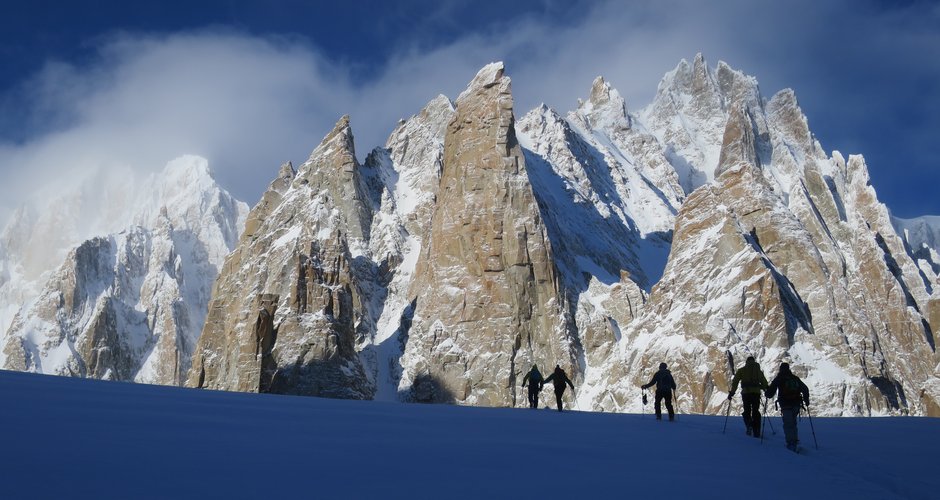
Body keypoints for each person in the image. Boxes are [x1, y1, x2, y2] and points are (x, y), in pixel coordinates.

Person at [765, 363, 810, 452]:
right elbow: (805, 389)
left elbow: (770, 393)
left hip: (786, 404)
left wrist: (767, 393)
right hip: (796, 404)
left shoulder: (779, 378)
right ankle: (795, 440)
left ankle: (791, 443)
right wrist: (806, 400)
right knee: (793, 422)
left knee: (788, 424)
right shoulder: (794, 378)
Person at [728, 356, 768, 438]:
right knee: (755, 411)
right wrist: (765, 389)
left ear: (747, 362)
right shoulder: (758, 371)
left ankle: (749, 424)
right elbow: (764, 383)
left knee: (747, 410)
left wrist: (732, 393)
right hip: (756, 393)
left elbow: (735, 381)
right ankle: (756, 430)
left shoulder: (742, 370)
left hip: (746, 394)